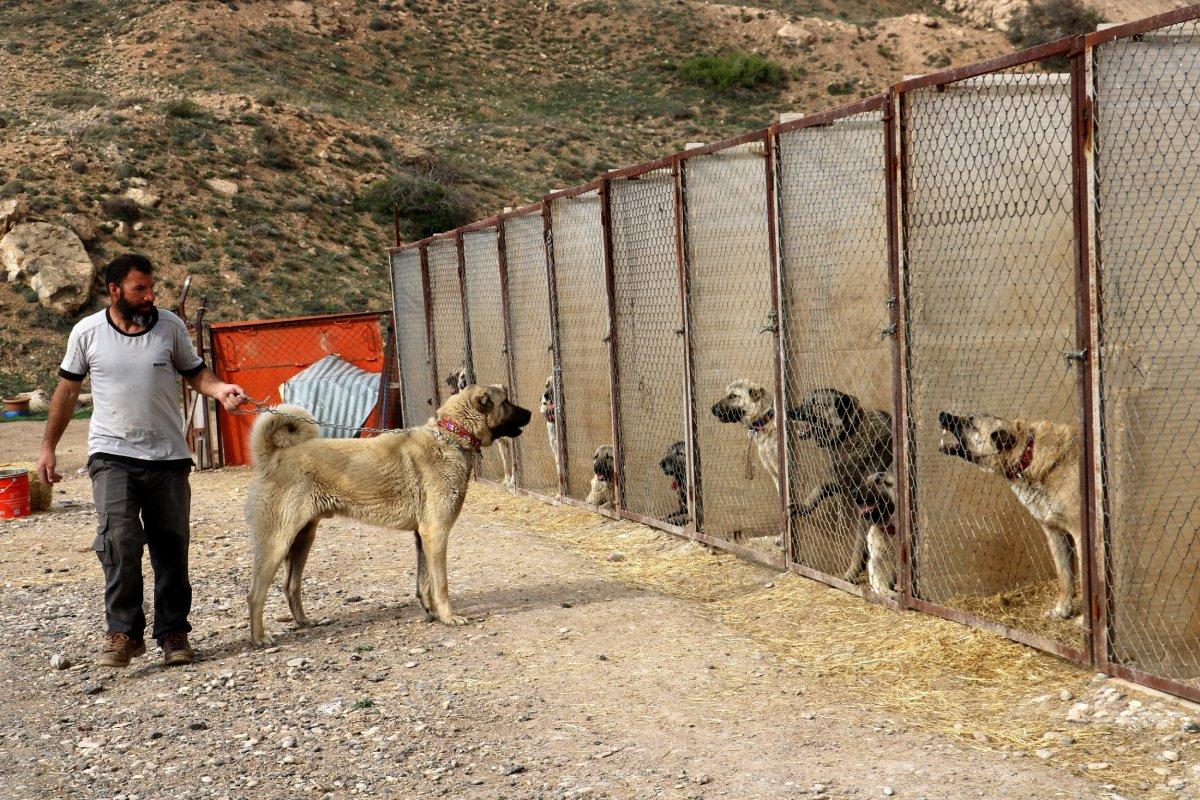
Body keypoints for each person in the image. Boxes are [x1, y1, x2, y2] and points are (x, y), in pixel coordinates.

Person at [36, 253, 246, 668]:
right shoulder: (87, 333)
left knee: (171, 545)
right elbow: (65, 393)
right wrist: (48, 446)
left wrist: (220, 389)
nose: (150, 296)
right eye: (139, 289)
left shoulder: (169, 327)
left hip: (168, 454)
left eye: (152, 288)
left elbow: (195, 372)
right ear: (115, 291)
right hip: (112, 454)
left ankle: (173, 634)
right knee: (120, 541)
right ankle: (123, 634)